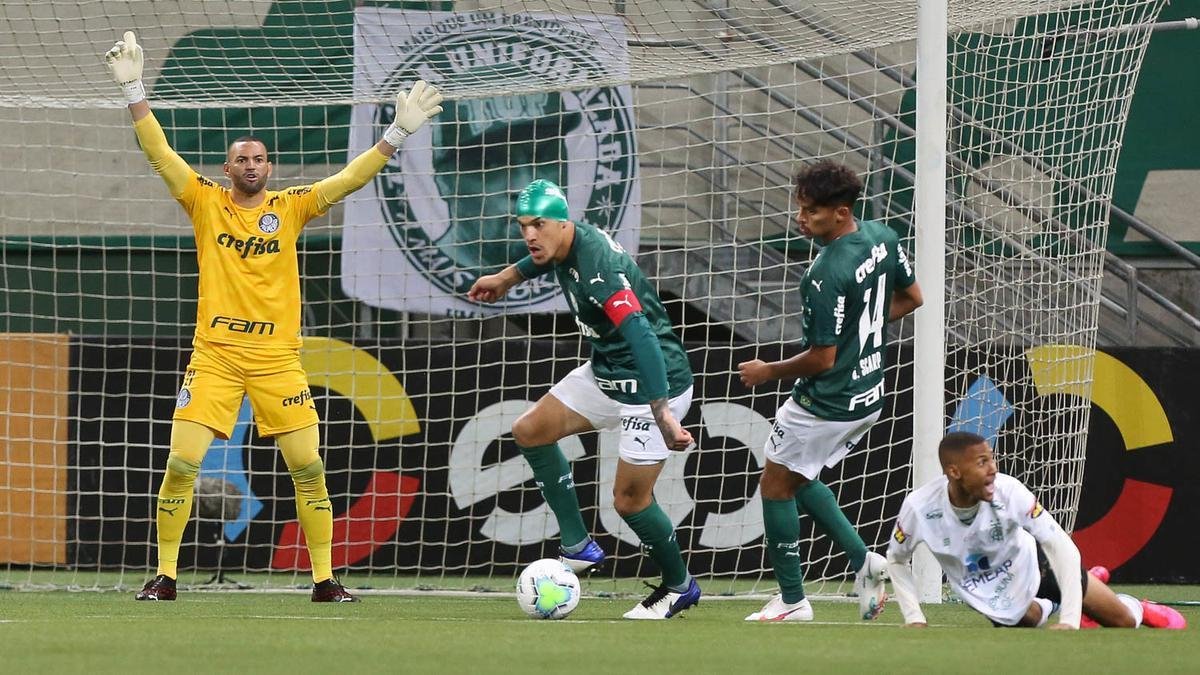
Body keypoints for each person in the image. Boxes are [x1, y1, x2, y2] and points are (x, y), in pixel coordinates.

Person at [104, 31, 443, 602]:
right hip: (214, 356)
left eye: (260, 158)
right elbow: (160, 154)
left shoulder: (291, 207)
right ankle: (164, 576)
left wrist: (397, 131)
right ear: (228, 166)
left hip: (277, 360)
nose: (252, 165)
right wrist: (136, 89)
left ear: (270, 166)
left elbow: (349, 179)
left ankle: (324, 580)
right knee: (182, 464)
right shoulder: (204, 200)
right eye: (242, 158)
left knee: (309, 468)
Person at [468, 179, 700, 620]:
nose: (530, 235)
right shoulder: (564, 244)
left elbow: (642, 336)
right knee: (529, 432)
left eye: (538, 225)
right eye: (523, 227)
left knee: (630, 501)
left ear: (562, 222)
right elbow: (541, 260)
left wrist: (663, 412)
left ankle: (679, 586)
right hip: (606, 373)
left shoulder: (598, 267)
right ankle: (578, 546)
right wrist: (505, 277)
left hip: (653, 384)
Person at [738, 160, 923, 622]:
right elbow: (912, 297)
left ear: (840, 213)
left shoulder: (824, 275)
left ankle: (792, 600)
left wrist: (768, 370)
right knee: (801, 474)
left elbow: (822, 357)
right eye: (799, 209)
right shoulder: (883, 237)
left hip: (828, 400)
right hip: (869, 394)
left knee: (776, 486)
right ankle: (866, 564)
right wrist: (864, 340)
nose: (801, 220)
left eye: (812, 212)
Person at [885, 431, 1187, 630]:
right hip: (987, 591)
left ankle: (1138, 608)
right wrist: (914, 617)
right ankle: (1078, 597)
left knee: (1120, 622)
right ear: (954, 472)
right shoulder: (919, 508)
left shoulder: (1009, 491)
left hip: (1039, 567)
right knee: (1026, 619)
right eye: (981, 462)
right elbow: (896, 560)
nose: (993, 468)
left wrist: (1069, 622)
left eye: (992, 458)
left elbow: (1060, 545)